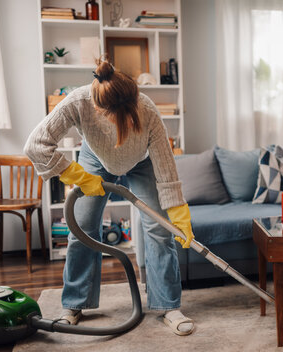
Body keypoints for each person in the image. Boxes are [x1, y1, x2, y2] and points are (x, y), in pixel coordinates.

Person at [24, 59, 196, 336]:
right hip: (95, 158)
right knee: (81, 229)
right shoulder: (77, 102)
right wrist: (76, 175)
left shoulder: (147, 109)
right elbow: (35, 144)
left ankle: (168, 305)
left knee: (159, 229)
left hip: (141, 162)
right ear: (101, 110)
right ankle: (75, 304)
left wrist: (177, 212)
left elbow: (165, 163)